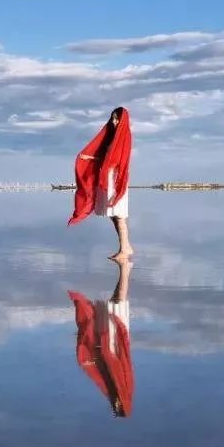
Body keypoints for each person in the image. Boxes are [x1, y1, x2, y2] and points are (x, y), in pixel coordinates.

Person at [67, 257, 134, 417]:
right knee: (118, 302)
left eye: (115, 409)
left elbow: (105, 364)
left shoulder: (116, 388)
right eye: (118, 408)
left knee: (116, 301)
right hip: (113, 339)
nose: (115, 406)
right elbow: (111, 359)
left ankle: (125, 269)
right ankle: (125, 268)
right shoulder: (121, 386)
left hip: (113, 338)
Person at [67, 106, 134, 259]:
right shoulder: (113, 137)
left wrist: (95, 160)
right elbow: (106, 157)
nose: (114, 121)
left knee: (119, 214)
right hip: (109, 177)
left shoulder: (124, 137)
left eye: (117, 118)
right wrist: (88, 158)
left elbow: (116, 160)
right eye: (112, 118)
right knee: (113, 214)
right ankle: (126, 246)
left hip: (116, 179)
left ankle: (125, 249)